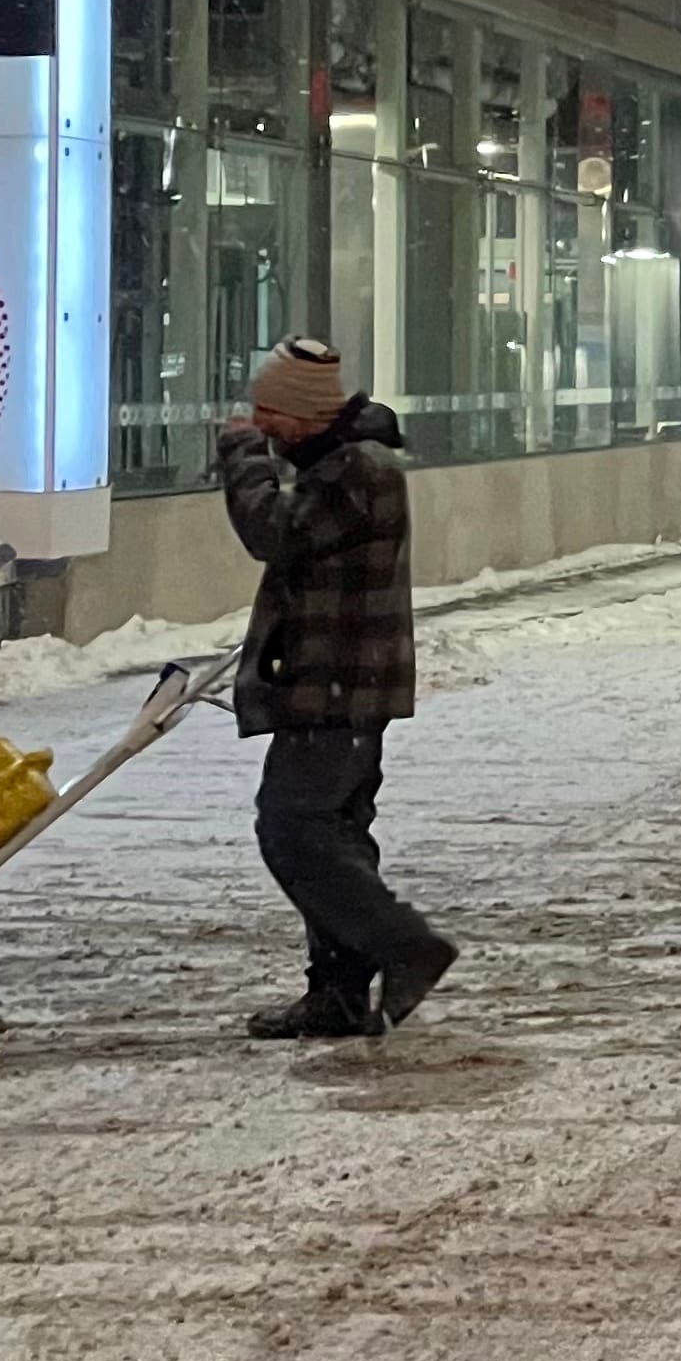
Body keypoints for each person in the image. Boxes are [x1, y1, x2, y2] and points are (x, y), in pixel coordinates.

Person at [219, 337, 455, 1039]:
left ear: (306, 414)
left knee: (295, 831)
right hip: (337, 686)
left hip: (339, 687)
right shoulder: (341, 462)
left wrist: (243, 460)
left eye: (271, 413)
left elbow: (271, 531)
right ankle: (341, 993)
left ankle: (403, 944)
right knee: (334, 834)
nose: (262, 426)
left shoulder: (357, 471)